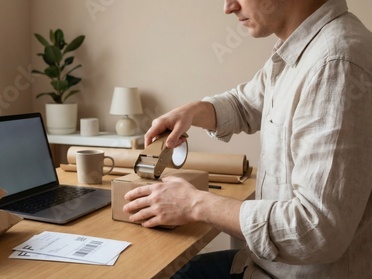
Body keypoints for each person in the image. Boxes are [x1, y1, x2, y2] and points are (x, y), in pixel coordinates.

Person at [122, 0, 372, 278]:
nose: (228, 6)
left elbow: (314, 231)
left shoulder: (335, 64)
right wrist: (195, 111)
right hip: (267, 266)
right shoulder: (304, 49)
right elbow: (247, 103)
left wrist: (195, 204)